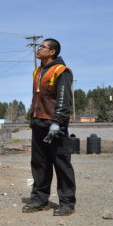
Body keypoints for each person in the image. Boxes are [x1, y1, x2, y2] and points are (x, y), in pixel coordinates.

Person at [23, 38, 76, 216]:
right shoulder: (38, 71)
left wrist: (58, 122)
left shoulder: (62, 71)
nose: (38, 49)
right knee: (39, 163)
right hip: (39, 122)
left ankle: (67, 203)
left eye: (43, 47)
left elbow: (64, 99)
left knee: (61, 163)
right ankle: (40, 200)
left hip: (55, 124)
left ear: (52, 52)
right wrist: (32, 117)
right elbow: (36, 97)